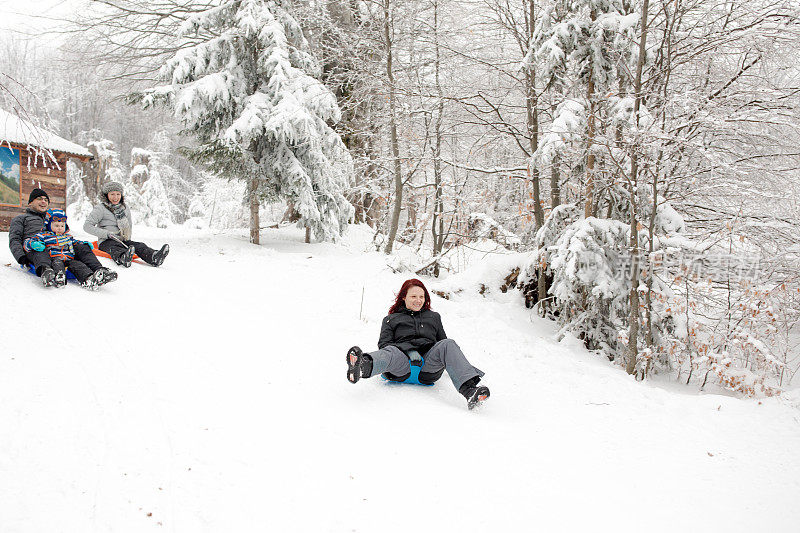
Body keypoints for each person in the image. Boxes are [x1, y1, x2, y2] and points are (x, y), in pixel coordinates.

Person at [346, 278, 491, 410]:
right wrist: (408, 350)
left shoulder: (434, 317)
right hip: (400, 366)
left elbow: (444, 346)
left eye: (422, 297)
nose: (418, 300)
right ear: (404, 297)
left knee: (448, 343)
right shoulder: (391, 319)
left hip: (427, 368)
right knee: (390, 351)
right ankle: (361, 366)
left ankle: (470, 392)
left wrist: (460, 365)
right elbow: (384, 345)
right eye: (414, 296)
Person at [9, 188, 108, 287]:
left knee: (81, 246)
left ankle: (99, 270)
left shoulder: (54, 218)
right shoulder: (21, 219)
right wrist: (21, 257)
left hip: (60, 249)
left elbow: (66, 235)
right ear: (30, 202)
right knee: (41, 248)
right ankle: (46, 271)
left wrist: (82, 244)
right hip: (36, 248)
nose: (43, 201)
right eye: (39, 199)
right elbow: (15, 239)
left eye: (46, 200)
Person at [24, 209, 118, 290]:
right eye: (56, 225)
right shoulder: (44, 235)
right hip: (54, 258)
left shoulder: (67, 236)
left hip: (68, 259)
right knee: (57, 264)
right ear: (48, 225)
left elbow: (75, 242)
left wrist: (84, 244)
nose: (60, 228)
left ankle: (89, 279)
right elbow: (28, 243)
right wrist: (33, 244)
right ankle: (56, 277)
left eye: (62, 226)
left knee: (78, 265)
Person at [83, 181, 169, 268]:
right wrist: (107, 234)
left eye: (118, 194)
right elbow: (87, 226)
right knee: (113, 247)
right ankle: (123, 258)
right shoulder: (100, 209)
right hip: (106, 241)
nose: (115, 197)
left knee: (139, 245)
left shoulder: (124, 207)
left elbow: (129, 225)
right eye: (112, 194)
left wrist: (128, 240)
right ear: (106, 195)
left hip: (122, 240)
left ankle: (154, 257)